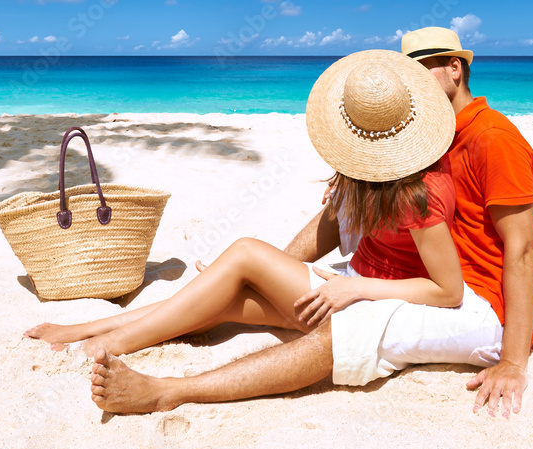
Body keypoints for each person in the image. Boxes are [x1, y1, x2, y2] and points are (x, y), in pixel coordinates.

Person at [88, 27, 533, 418]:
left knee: (341, 335)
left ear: (455, 68)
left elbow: (523, 250)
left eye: (423, 68)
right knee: (252, 271)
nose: (414, 83)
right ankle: (95, 332)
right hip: (427, 276)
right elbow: (355, 218)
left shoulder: (491, 139)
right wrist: (276, 274)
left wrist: (513, 359)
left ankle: (170, 391)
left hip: (483, 302)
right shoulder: (428, 133)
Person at [25, 49, 464, 364]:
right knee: (214, 298)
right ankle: (89, 329)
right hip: (348, 288)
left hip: (372, 301)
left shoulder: (420, 193)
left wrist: (357, 288)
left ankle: (111, 344)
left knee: (245, 253)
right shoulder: (374, 177)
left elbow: (449, 291)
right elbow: (334, 230)